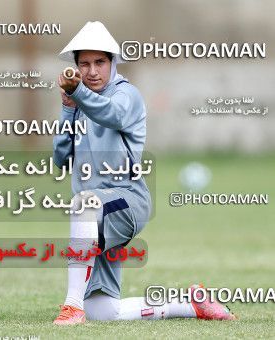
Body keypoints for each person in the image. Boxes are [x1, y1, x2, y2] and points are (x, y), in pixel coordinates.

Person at [52, 21, 236, 325]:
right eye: (84, 64)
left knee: (83, 204)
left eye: (99, 62)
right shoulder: (81, 102)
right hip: (95, 215)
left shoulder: (128, 95)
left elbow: (113, 115)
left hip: (128, 202)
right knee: (103, 312)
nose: (92, 70)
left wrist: (80, 95)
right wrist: (68, 108)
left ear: (113, 63)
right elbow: (61, 158)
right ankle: (190, 305)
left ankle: (71, 306)